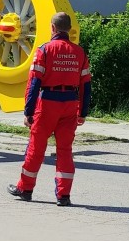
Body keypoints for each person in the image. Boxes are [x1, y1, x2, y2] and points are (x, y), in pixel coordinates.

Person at [7, 12, 91, 207]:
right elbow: (86, 85)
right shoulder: (80, 53)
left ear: (52, 28)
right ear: (69, 29)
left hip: (47, 104)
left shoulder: (44, 50)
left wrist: (28, 111)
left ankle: (25, 189)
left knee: (36, 148)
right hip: (70, 104)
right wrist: (83, 112)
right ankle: (64, 196)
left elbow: (34, 83)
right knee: (65, 150)